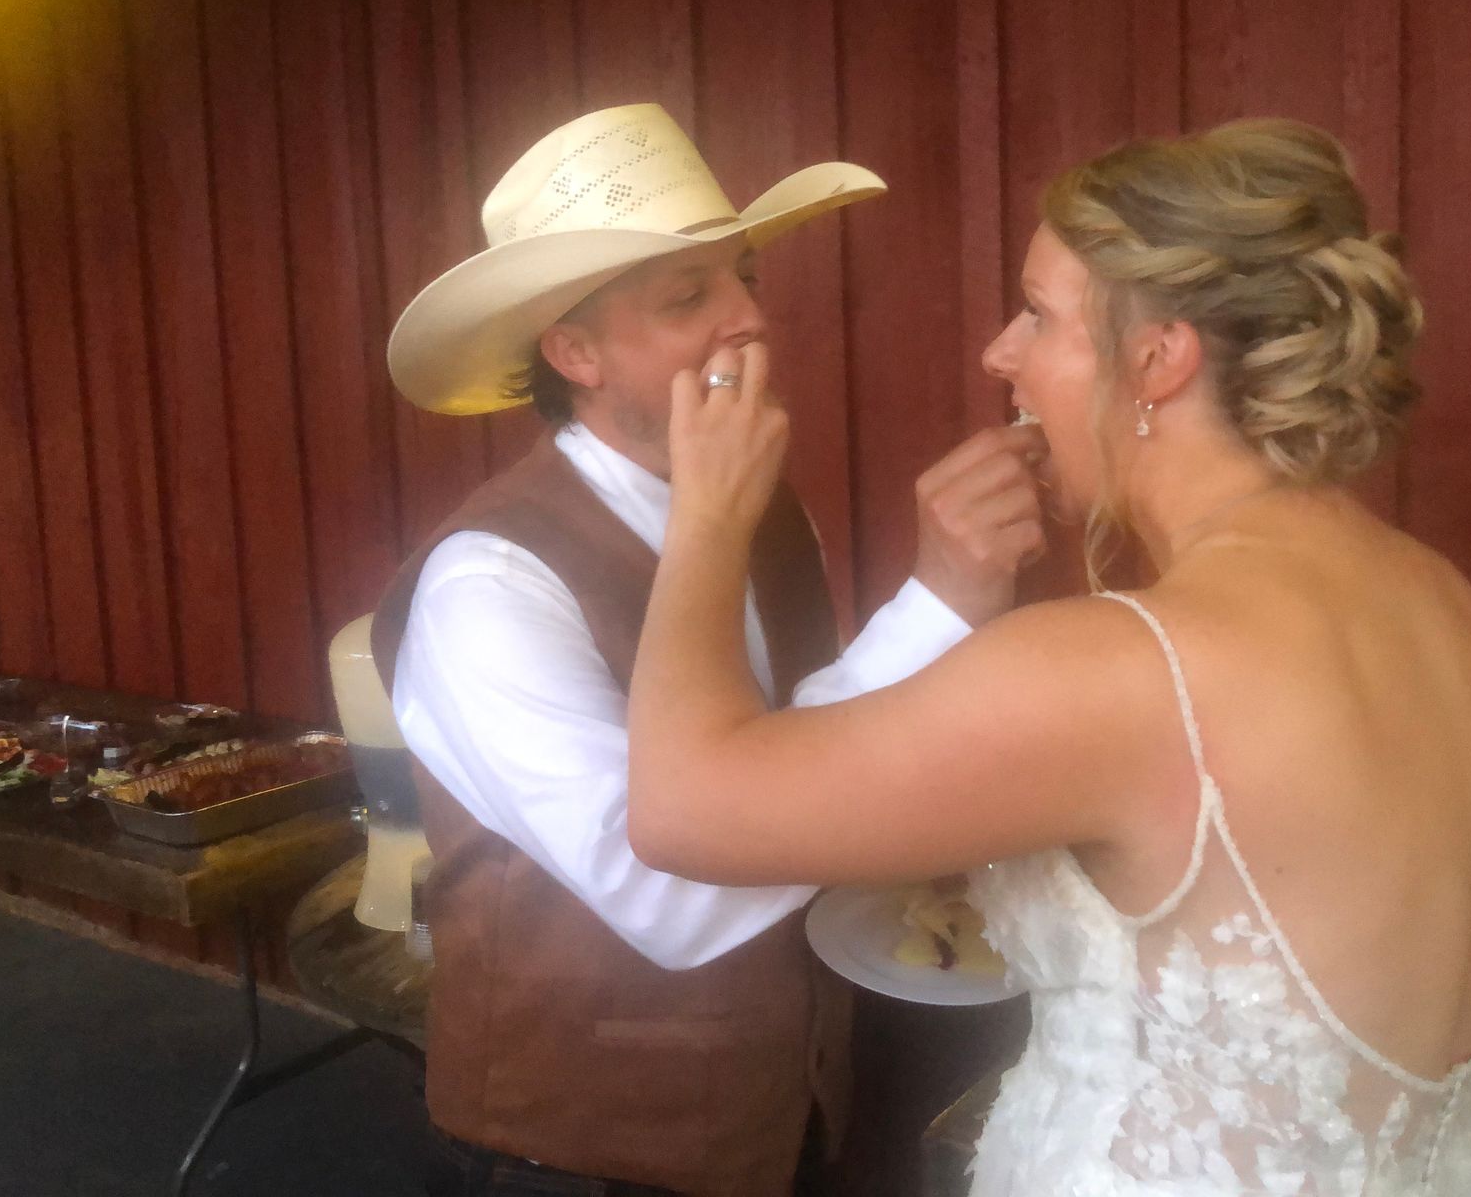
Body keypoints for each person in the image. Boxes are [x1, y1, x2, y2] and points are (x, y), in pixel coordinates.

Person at [627, 119, 1471, 1195]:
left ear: (1157, 357)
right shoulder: (1442, 601)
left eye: (1039, 314)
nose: (999, 354)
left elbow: (681, 805)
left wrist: (706, 521)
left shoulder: (1129, 670)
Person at [368, 103, 1049, 1197]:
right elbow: (674, 893)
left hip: (795, 1099)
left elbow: (784, 739)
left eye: (744, 279)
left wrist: (952, 612)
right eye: (690, 296)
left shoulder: (766, 513)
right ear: (574, 352)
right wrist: (939, 605)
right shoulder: (488, 587)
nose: (748, 319)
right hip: (585, 1146)